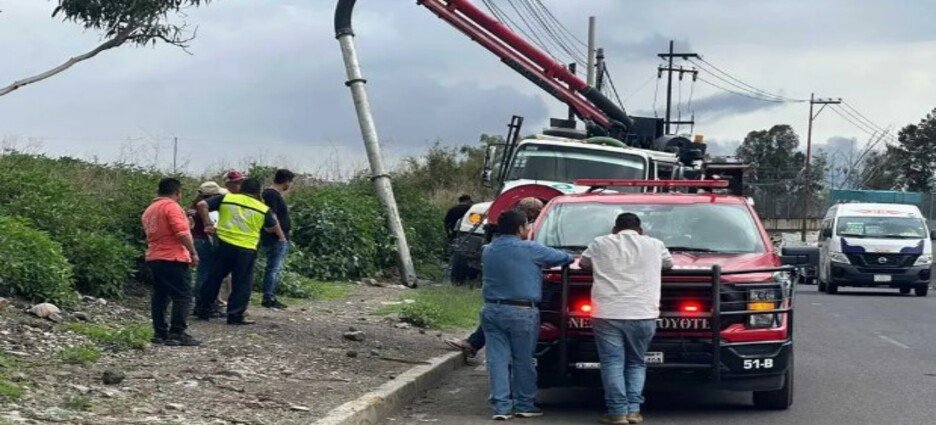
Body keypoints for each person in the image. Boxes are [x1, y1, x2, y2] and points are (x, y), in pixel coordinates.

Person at [579, 213, 673, 425]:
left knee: (612, 362)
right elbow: (668, 263)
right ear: (640, 230)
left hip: (607, 313)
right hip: (644, 313)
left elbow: (584, 263)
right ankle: (633, 410)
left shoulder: (600, 243)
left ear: (615, 229)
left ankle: (617, 412)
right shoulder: (655, 244)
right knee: (636, 362)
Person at [480, 208, 572, 420]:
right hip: (522, 311)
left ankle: (501, 407)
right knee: (523, 360)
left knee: (497, 360)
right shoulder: (531, 249)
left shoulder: (488, 250)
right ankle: (524, 404)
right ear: (521, 228)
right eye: (527, 225)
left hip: (492, 309)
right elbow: (563, 257)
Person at [446, 197, 546, 357]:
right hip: (529, 285)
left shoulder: (527, 231)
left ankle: (476, 344)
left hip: (518, 285)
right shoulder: (542, 228)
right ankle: (476, 344)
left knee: (496, 314)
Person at [194, 178, 285, 325]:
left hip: (223, 244)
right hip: (246, 249)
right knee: (242, 283)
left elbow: (201, 204)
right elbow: (271, 226)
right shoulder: (262, 208)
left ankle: (202, 310)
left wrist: (208, 223)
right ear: (258, 191)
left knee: (214, 278)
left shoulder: (227, 198)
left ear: (242, 188)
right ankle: (235, 316)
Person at [141, 178, 202, 346]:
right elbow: (181, 233)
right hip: (173, 256)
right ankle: (177, 332)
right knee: (183, 295)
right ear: (177, 192)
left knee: (160, 295)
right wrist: (193, 252)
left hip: (155, 256)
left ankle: (160, 332)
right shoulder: (172, 207)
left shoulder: (150, 210)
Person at [188, 181, 229, 318]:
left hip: (194, 240)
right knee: (205, 274)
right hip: (204, 241)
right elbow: (214, 228)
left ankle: (198, 303)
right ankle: (203, 304)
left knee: (200, 273)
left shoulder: (192, 209)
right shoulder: (208, 211)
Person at [260, 169, 296, 309]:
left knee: (273, 267)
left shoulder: (271, 194)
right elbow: (272, 216)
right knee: (273, 268)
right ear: (286, 181)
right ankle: (269, 296)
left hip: (276, 236)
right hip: (275, 238)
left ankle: (270, 295)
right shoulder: (271, 194)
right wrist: (280, 235)